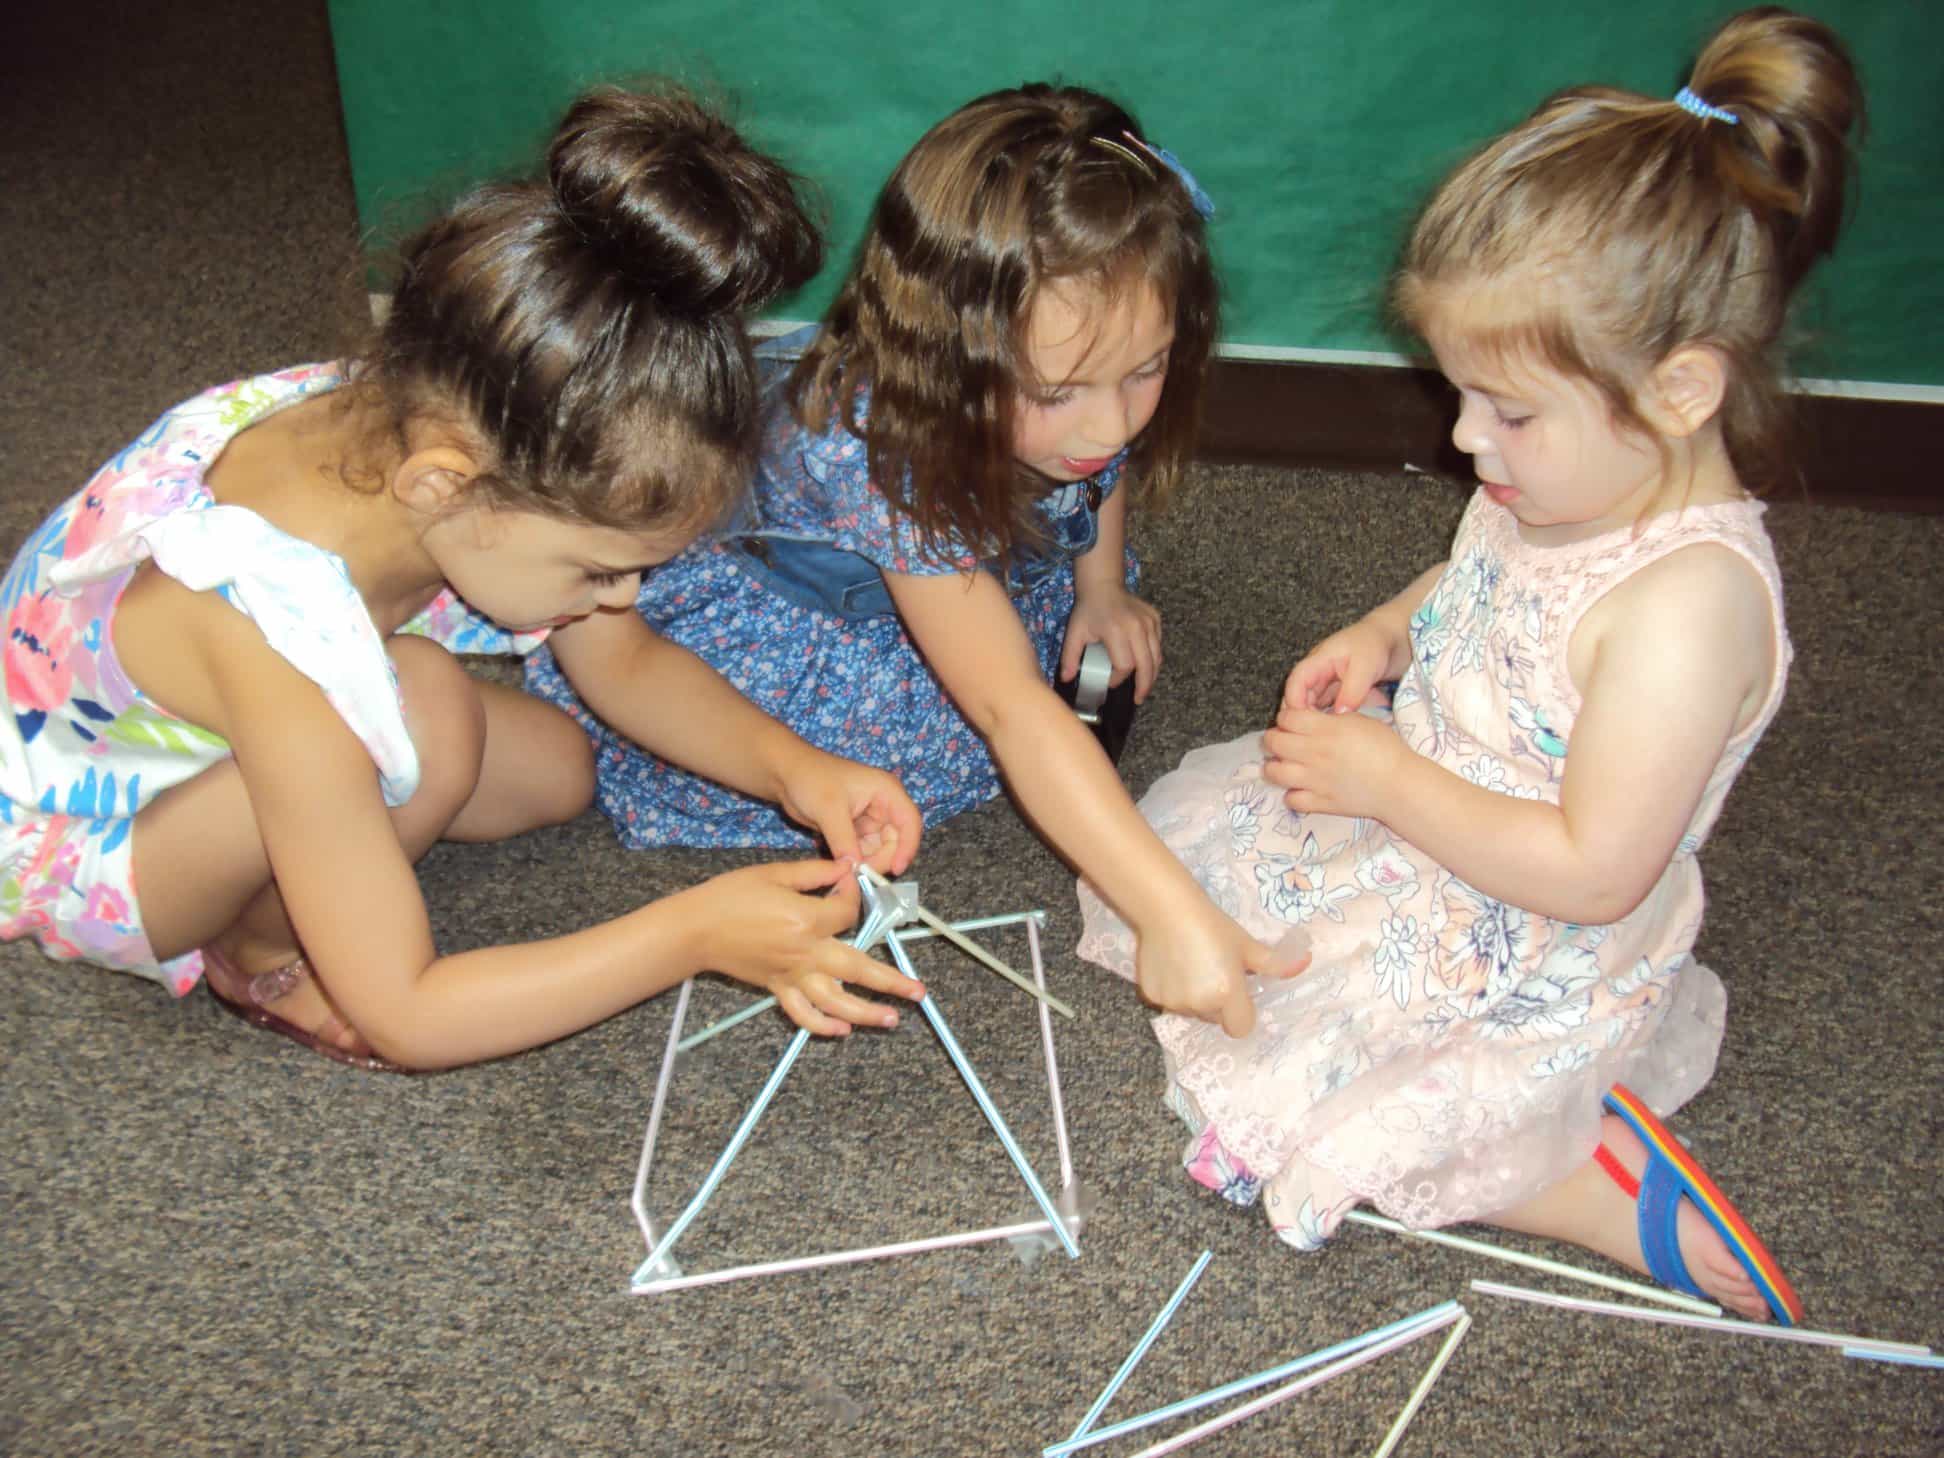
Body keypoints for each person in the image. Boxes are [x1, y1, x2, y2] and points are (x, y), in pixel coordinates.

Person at [1077, 7, 1863, 1324]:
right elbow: (1480, 577)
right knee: (1206, 888)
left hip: (1534, 929)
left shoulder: (1690, 606)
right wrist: (1390, 631)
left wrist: (1385, 777)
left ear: (1680, 389)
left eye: (1505, 410)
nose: (1461, 437)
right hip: (1427, 818)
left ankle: (1581, 1175)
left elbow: (1596, 867)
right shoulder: (1572, 476)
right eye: (1459, 391)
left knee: (1347, 1087)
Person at [0, 85, 931, 1073]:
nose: (623, 599)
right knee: (433, 708)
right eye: (600, 569)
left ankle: (331, 835)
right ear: (447, 486)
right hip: (98, 836)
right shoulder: (271, 647)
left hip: (238, 712)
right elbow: (413, 1017)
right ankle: (260, 951)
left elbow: (622, 662)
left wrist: (802, 771)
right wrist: (688, 935)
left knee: (560, 766)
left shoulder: (446, 417)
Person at [528, 83, 1300, 1029]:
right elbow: (1009, 706)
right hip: (802, 616)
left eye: (1146, 370)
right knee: (961, 727)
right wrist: (1170, 910)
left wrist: (1098, 584)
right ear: (946, 356)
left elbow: (1096, 470)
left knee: (1043, 566)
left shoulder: (1076, 382)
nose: (1111, 422)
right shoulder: (882, 452)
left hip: (952, 555)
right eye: (1059, 391)